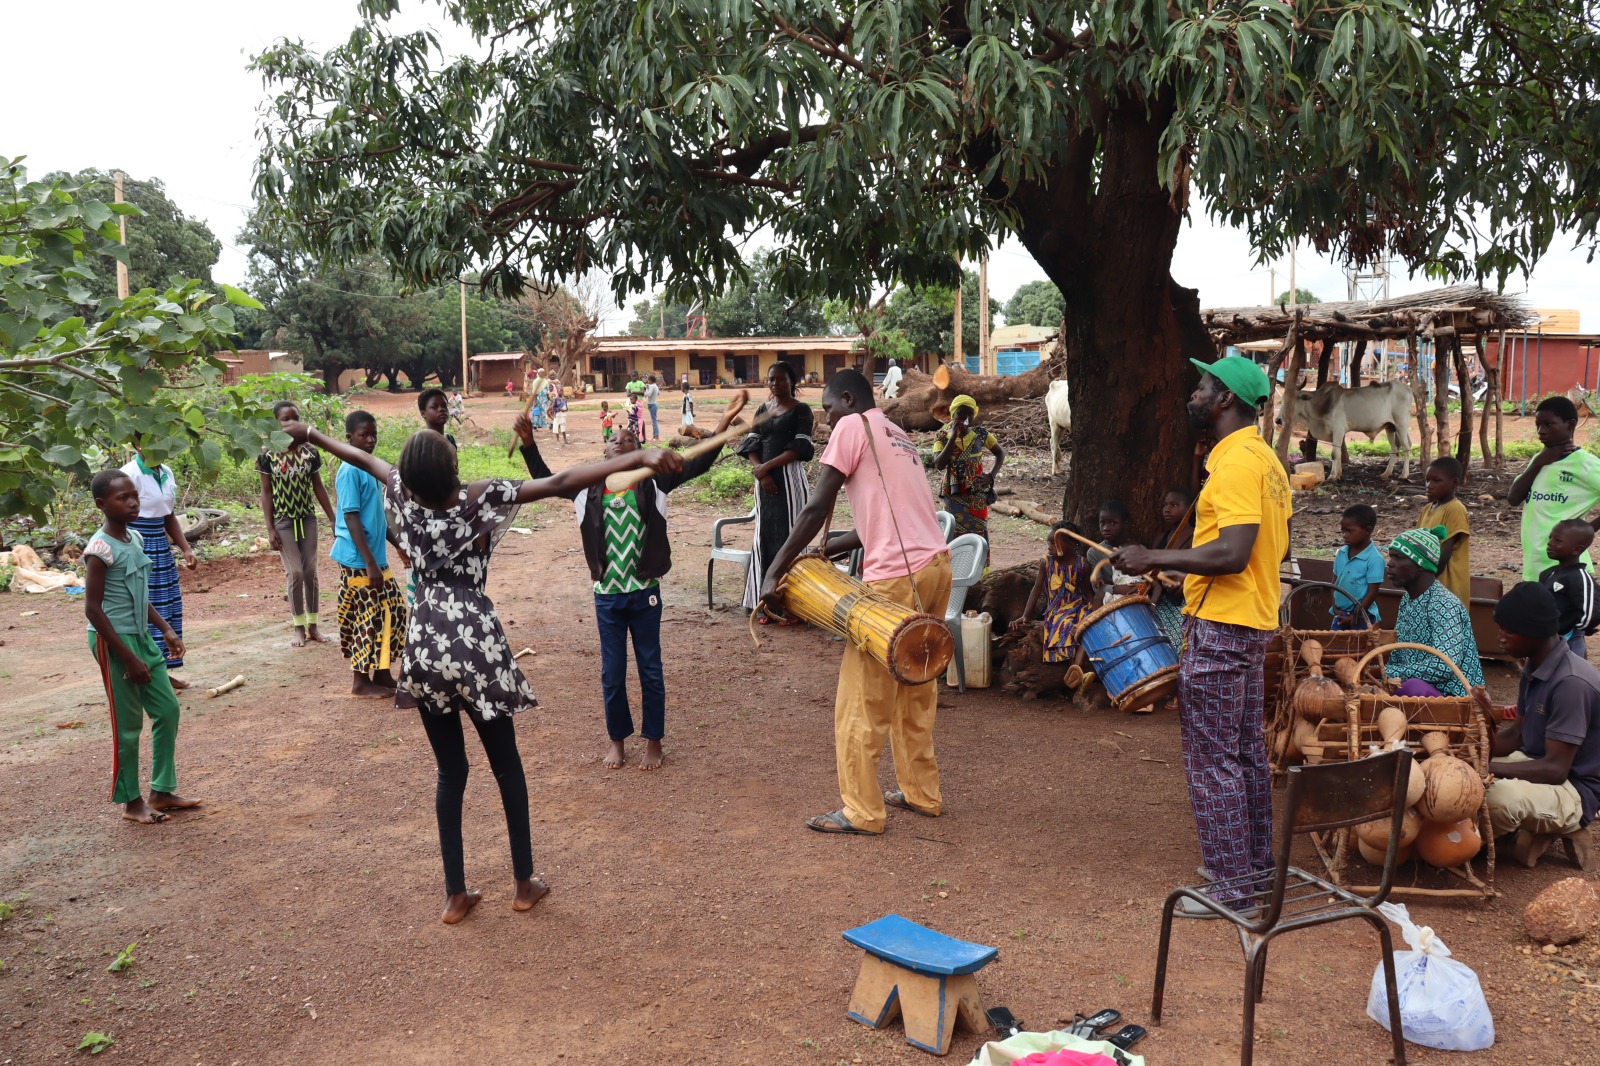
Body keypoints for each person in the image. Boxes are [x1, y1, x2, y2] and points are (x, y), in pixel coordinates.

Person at [282, 417, 684, 925]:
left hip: (424, 643)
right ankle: (523, 884)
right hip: (475, 644)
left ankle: (455, 896)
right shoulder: (480, 498)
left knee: (451, 772)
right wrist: (640, 457)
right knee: (507, 766)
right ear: (453, 470)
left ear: (406, 474)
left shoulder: (401, 493)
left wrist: (312, 434)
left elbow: (362, 459)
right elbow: (562, 482)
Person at [1113, 355, 1290, 917]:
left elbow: (1233, 553)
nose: (1193, 390)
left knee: (1213, 761)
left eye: (1203, 384)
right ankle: (1251, 871)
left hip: (1222, 625)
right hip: (1252, 621)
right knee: (1243, 757)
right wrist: (1178, 564)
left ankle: (1232, 890)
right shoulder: (1266, 461)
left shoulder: (1237, 463)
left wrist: (1153, 555)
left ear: (1225, 400)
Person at [760, 370, 953, 836]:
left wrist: (775, 569)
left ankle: (863, 812)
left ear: (848, 399)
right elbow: (881, 523)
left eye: (829, 407)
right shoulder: (897, 433)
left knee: (861, 700)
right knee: (916, 687)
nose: (826, 417)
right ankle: (921, 794)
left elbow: (815, 506)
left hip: (896, 580)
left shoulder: (852, 425)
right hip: (936, 566)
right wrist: (827, 549)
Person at [570, 393, 749, 769]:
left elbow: (699, 462)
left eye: (631, 441)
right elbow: (545, 478)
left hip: (645, 593)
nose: (623, 443)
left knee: (650, 669)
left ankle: (654, 741)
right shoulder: (585, 491)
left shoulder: (655, 484)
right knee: (612, 673)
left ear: (641, 452)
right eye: (615, 441)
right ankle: (617, 740)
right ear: (604, 452)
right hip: (607, 597)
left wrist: (723, 421)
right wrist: (527, 444)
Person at [83, 469, 202, 824]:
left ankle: (162, 791)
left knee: (167, 710)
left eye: (134, 495)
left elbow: (140, 594)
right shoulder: (99, 549)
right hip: (113, 641)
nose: (133, 502)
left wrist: (165, 629)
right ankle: (132, 802)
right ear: (103, 505)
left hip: (141, 636)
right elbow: (93, 609)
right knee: (128, 723)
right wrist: (128, 657)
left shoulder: (134, 538)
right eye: (123, 498)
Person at [1477, 582, 1600, 869]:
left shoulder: (1571, 683)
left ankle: (1472, 841)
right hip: (1535, 761)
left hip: (1574, 788)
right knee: (1459, 768)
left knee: (1495, 797)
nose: (1501, 638)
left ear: (1536, 632)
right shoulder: (1534, 665)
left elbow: (1556, 770)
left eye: (1509, 631)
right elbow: (1517, 734)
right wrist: (1477, 749)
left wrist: (1487, 769)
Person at [331, 410, 408, 697]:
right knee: (366, 616)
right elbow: (351, 518)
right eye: (364, 435)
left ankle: (383, 672)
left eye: (373, 434)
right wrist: (370, 562)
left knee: (393, 611)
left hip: (375, 557)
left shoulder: (369, 468)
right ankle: (360, 681)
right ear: (348, 437)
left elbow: (377, 517)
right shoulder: (350, 469)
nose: (370, 440)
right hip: (358, 559)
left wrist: (398, 545)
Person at [739, 363, 815, 620]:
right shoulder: (762, 409)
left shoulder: (801, 410)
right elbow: (752, 444)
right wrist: (761, 472)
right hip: (764, 483)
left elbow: (800, 448)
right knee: (765, 535)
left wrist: (767, 469)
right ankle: (766, 606)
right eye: (771, 379)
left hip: (790, 480)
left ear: (792, 381)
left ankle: (794, 606)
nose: (774, 383)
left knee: (791, 535)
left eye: (780, 379)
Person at [258, 401, 337, 647]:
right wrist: (270, 528)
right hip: (283, 521)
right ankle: (298, 627)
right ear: (275, 423)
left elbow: (318, 487)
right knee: (296, 572)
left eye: (295, 418)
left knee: (311, 572)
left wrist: (333, 519)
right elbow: (267, 493)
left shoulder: (310, 452)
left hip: (307, 519)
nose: (290, 423)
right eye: (285, 419)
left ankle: (314, 626)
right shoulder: (267, 453)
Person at [120, 443, 197, 687]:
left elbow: (168, 515)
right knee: (144, 607)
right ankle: (145, 669)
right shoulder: (129, 473)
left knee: (167, 606)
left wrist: (185, 548)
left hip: (161, 548)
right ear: (139, 444)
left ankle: (163, 670)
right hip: (137, 543)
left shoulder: (167, 472)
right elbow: (117, 514)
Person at [1383, 525, 1486, 697]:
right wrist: (1382, 671)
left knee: (1412, 687)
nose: (1390, 564)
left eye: (1398, 558)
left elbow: (1445, 666)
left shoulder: (1444, 604)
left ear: (1421, 564)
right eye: (1391, 557)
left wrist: (1391, 672)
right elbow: (1399, 653)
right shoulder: (1407, 600)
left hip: (1453, 696)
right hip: (1413, 684)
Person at [1510, 395, 1600, 581]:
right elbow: (1513, 498)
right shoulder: (1540, 459)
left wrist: (1584, 532)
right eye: (1538, 425)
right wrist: (1539, 463)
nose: (1541, 431)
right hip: (1535, 564)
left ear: (1570, 424)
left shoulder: (1586, 464)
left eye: (1549, 424)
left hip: (1568, 569)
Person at [1012, 521, 1094, 663]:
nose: (1049, 547)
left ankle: (1080, 661)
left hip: (1077, 605)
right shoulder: (1046, 563)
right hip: (1057, 608)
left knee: (1086, 622)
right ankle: (1069, 662)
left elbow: (1087, 590)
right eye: (1048, 543)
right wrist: (1026, 615)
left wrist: (1094, 609)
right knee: (1064, 622)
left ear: (1072, 544)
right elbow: (1036, 589)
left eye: (1054, 544)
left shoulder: (1083, 565)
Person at [931, 395, 1005, 540]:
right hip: (953, 492)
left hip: (976, 489)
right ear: (953, 414)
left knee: (979, 530)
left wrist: (991, 476)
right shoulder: (942, 435)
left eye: (970, 414)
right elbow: (939, 464)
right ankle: (956, 562)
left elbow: (1000, 453)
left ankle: (980, 561)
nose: (966, 418)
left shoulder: (981, 434)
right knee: (953, 531)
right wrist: (953, 438)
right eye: (961, 414)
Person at [1539, 519, 1600, 658]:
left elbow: (1592, 613)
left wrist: (1576, 629)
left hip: (1568, 641)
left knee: (1568, 674)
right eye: (1550, 538)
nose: (1550, 543)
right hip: (1547, 638)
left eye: (1557, 540)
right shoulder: (1548, 573)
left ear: (1576, 549)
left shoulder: (1579, 577)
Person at [1418, 456, 1472, 607]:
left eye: (1436, 480)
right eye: (1427, 480)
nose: (1429, 485)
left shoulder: (1455, 509)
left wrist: (1421, 581)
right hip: (1427, 586)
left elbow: (1443, 555)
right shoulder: (1426, 510)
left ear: (1454, 483)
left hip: (1447, 588)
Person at [1150, 488, 1194, 650]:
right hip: (1161, 599)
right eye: (1165, 505)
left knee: (1177, 644)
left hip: (1184, 602)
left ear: (1189, 509)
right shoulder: (1161, 538)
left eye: (1174, 505)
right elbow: (1153, 572)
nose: (1167, 509)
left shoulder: (1195, 537)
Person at [1331, 504, 1384, 629]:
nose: (1345, 535)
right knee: (1335, 646)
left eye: (1350, 531)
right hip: (1340, 613)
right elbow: (1334, 583)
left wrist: (1356, 615)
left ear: (1367, 530)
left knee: (1359, 647)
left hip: (1363, 615)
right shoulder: (1342, 553)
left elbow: (1372, 592)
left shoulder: (1374, 559)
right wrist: (1334, 607)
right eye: (1343, 531)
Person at [1087, 499, 1139, 601]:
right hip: (1109, 598)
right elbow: (1098, 588)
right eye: (1102, 523)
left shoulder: (1137, 549)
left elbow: (1149, 582)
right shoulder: (1094, 552)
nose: (1106, 528)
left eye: (1112, 523)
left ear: (1125, 523)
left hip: (1135, 596)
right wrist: (1117, 589)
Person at [644, 374, 661, 440]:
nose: (647, 381)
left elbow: (648, 394)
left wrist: (646, 389)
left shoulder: (652, 386)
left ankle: (656, 436)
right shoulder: (655, 386)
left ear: (650, 380)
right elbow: (658, 393)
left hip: (652, 404)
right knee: (654, 421)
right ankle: (654, 435)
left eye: (648, 380)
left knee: (654, 421)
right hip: (654, 403)